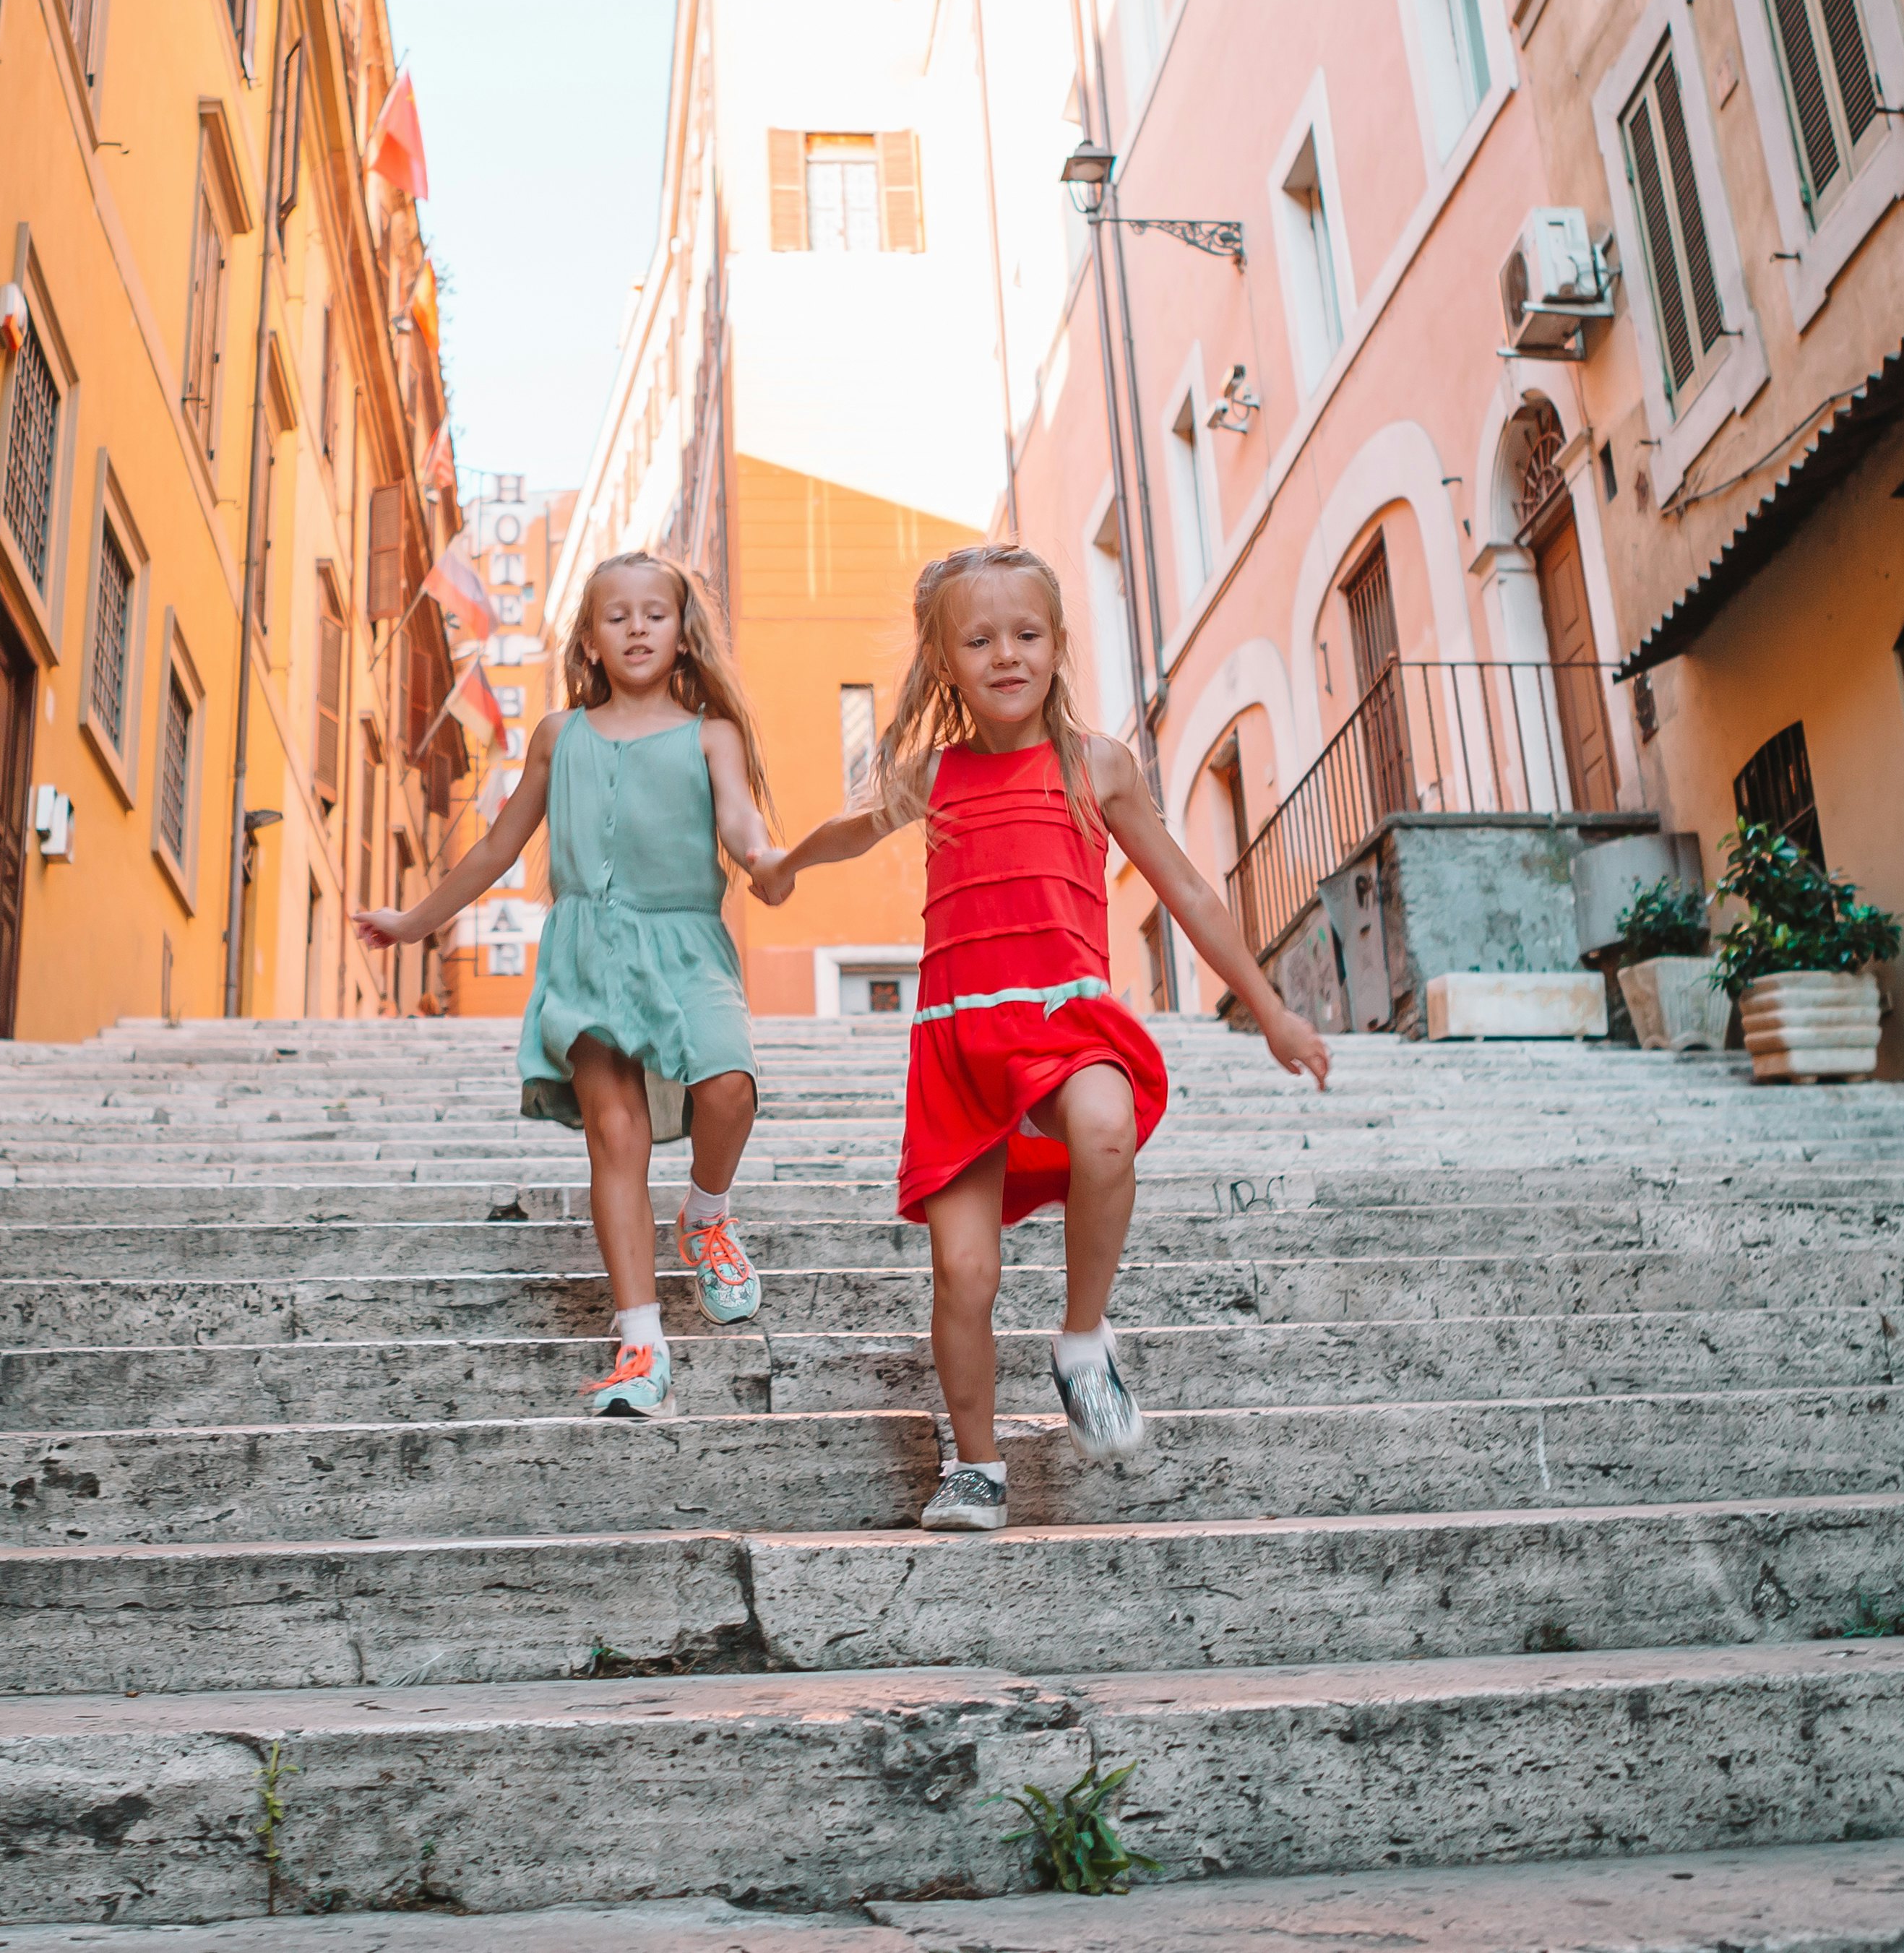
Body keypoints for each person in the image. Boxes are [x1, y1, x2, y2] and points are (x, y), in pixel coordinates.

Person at [757, 543, 1328, 1532]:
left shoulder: (1095, 762)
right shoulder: (928, 774)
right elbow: (848, 831)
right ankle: (974, 1466)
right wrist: (781, 865)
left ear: (1059, 645)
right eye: (978, 640)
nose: (1005, 655)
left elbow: (1187, 889)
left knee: (1105, 1126)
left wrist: (1268, 1006)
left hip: (1064, 1018)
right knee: (962, 1273)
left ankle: (1079, 1337)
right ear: (944, 662)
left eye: (1026, 634)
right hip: (957, 1041)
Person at [357, 551, 784, 1419]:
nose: (635, 627)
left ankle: (705, 1215)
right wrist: (413, 920)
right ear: (588, 638)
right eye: (615, 615)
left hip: (687, 944)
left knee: (730, 1087)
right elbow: (495, 847)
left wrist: (767, 860)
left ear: (682, 632)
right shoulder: (561, 735)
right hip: (586, 950)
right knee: (614, 1136)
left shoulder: (712, 734)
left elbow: (742, 820)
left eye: (653, 613)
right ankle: (639, 1342)